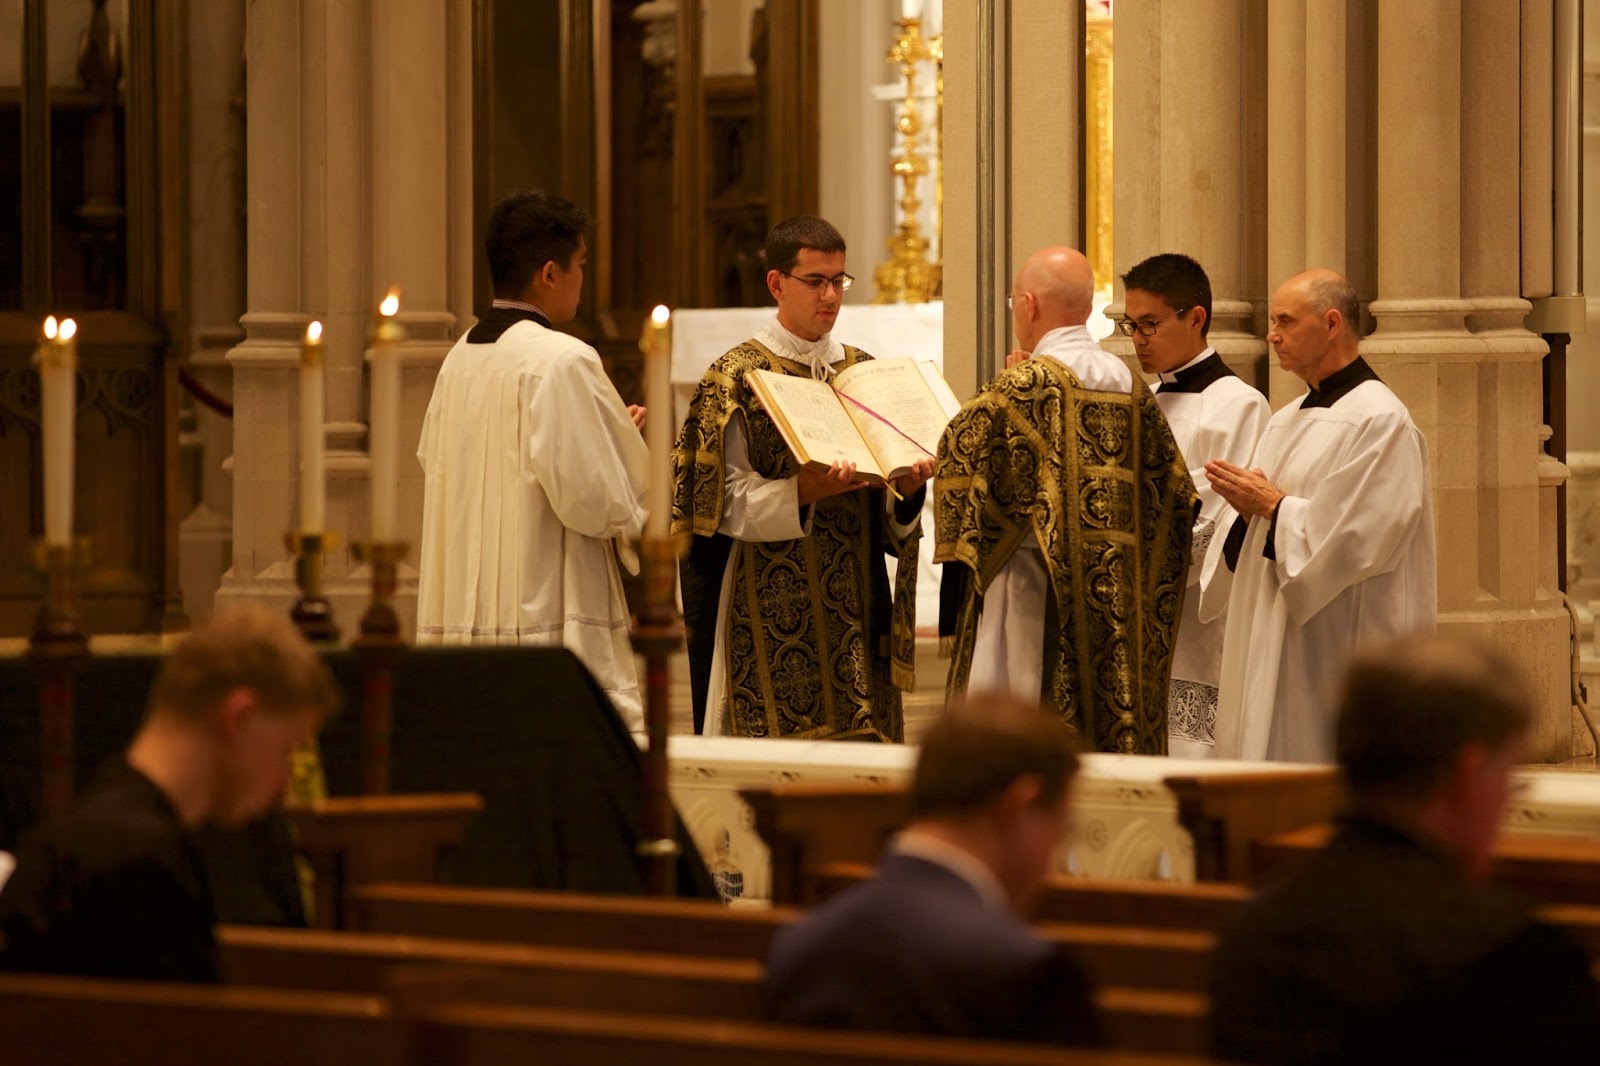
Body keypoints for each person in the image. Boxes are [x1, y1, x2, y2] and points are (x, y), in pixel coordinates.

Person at [1209, 634, 1600, 1064]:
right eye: (1509, 778)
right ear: (1467, 775)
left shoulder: (1254, 932)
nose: (1508, 799)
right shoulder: (1516, 958)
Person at [672, 215, 932, 740]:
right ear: (776, 283)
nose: (831, 296)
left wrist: (906, 492)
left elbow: (888, 507)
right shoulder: (737, 376)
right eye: (815, 281)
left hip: (858, 602)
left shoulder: (862, 370)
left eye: (839, 281)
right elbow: (718, 504)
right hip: (767, 605)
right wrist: (801, 492)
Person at [935, 247, 1194, 754]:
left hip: (1033, 595)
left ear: (1028, 304)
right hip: (1114, 600)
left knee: (1020, 735)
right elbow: (1174, 494)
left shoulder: (1024, 384)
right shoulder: (1131, 385)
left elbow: (959, 462)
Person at [0, 607, 337, 983]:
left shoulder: (88, 830)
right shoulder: (141, 869)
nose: (284, 781)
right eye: (287, 748)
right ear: (239, 717)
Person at [416, 190, 650, 729]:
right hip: (542, 595)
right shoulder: (563, 359)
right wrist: (616, 453)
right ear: (550, 272)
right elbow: (594, 501)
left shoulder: (460, 356)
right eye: (581, 265)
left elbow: (435, 458)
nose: (582, 280)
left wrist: (602, 438)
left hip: (468, 592)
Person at [764, 692, 1101, 1046]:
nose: (1052, 861)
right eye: (1062, 830)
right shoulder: (1027, 971)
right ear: (1020, 804)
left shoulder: (798, 948)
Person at [1198, 269, 1435, 762]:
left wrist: (1273, 507)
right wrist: (1246, 514)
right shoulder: (1285, 419)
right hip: (1272, 626)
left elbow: (1360, 539)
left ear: (1331, 324)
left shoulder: (1381, 421)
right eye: (1271, 321)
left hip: (1336, 640)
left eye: (1285, 321)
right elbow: (1263, 518)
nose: (1272, 334)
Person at [1119, 253, 1269, 758]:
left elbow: (1219, 514)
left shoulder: (1239, 403)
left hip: (1197, 613)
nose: (1137, 339)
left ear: (1196, 318)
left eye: (1149, 325)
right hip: (1141, 606)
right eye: (1130, 325)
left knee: (1193, 750)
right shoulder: (1150, 400)